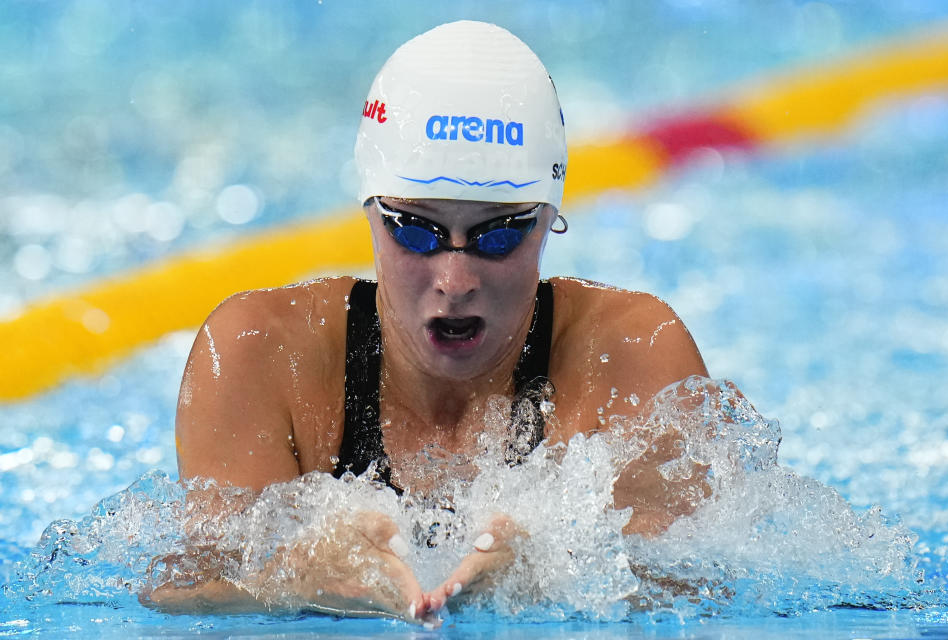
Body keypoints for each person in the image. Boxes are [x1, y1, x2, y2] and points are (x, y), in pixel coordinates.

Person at [141, 20, 708, 624]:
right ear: (370, 213)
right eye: (415, 231)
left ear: (550, 220)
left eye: (499, 234)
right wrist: (291, 584)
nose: (455, 280)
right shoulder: (260, 354)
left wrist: (553, 569)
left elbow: (710, 589)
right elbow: (174, 596)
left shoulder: (631, 353)